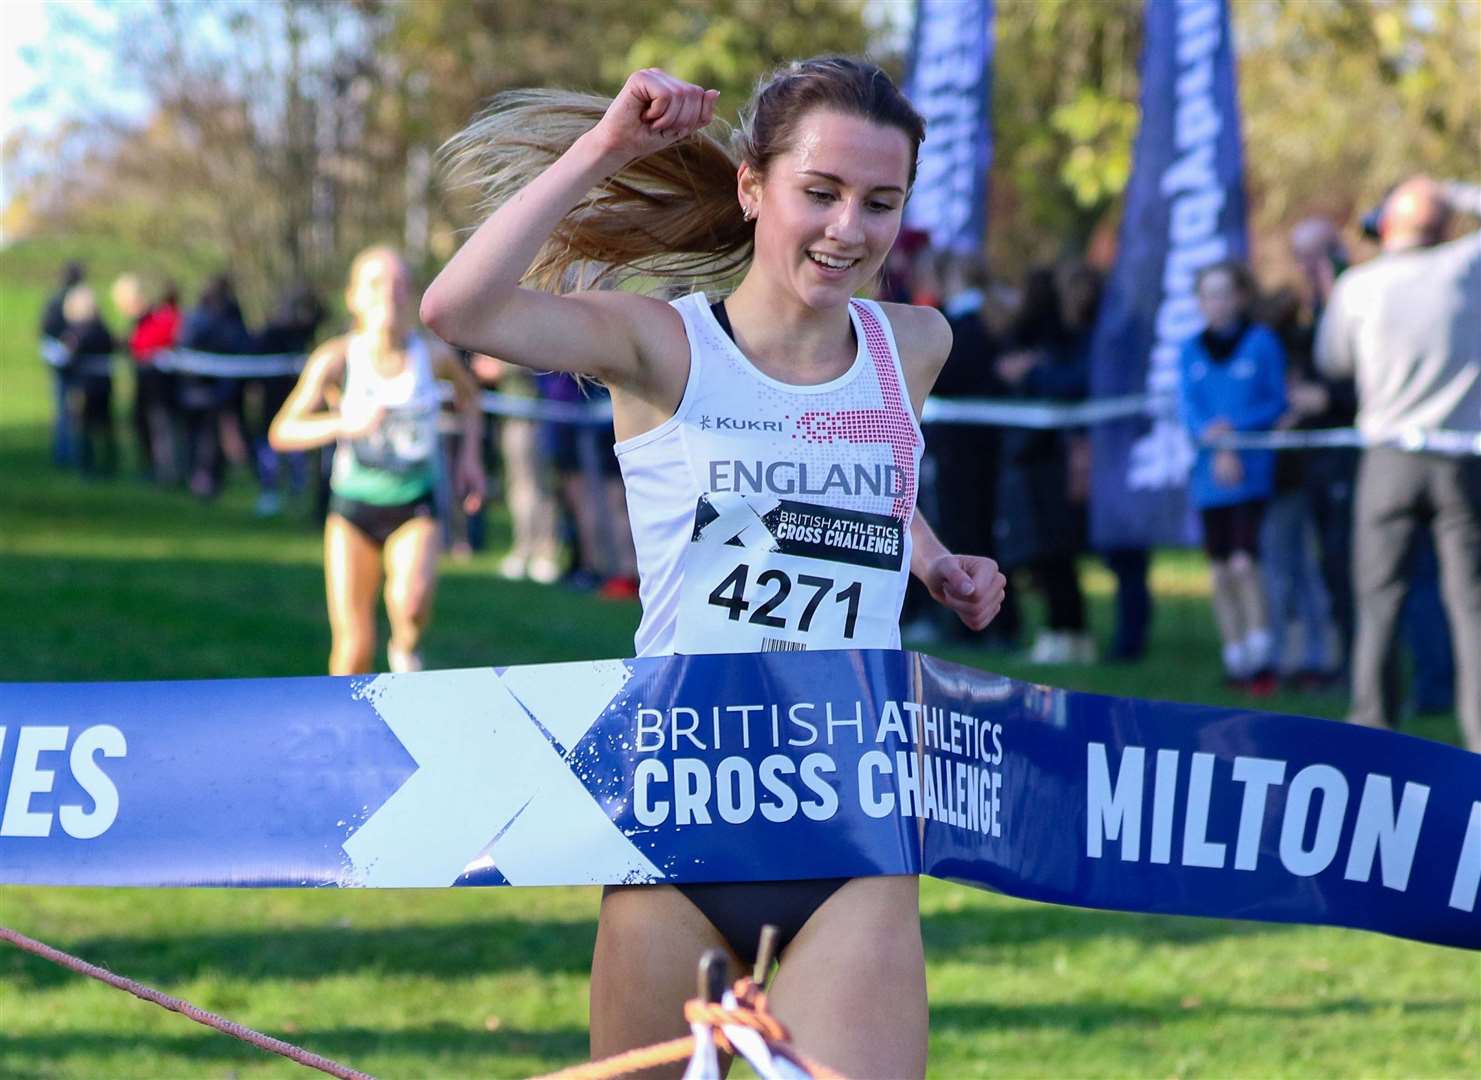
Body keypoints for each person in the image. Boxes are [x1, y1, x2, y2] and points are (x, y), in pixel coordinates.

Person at [421, 61, 1006, 1077]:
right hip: (680, 810)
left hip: (847, 820)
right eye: (817, 193)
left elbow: (853, 475)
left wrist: (933, 557)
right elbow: (457, 310)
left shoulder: (911, 344)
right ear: (751, 187)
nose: (846, 230)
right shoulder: (660, 347)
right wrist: (605, 149)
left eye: (879, 203)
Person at [1316, 176, 1481, 750]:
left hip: (1387, 459)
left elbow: (1331, 360)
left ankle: (1372, 734)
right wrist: (1450, 192)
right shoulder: (1467, 267)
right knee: (1470, 608)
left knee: (1379, 601)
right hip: (1461, 458)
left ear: (1386, 226)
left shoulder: (1359, 285)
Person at [269, 246, 486, 675]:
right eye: (376, 283)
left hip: (414, 501)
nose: (389, 293)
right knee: (352, 650)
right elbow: (283, 431)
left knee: (411, 601)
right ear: (354, 297)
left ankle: (406, 649)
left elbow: (471, 400)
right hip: (352, 509)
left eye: (400, 284)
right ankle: (346, 736)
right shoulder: (336, 358)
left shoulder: (434, 356)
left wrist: (471, 461)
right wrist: (341, 424)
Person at [1178, 260, 1287, 693]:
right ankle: (1235, 655)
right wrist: (1212, 436)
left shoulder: (1261, 343)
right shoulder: (1190, 349)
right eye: (1209, 295)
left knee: (1245, 563)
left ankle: (1262, 655)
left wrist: (1233, 432)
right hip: (1210, 474)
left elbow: (1274, 401)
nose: (1217, 303)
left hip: (1249, 469)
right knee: (1220, 569)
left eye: (1225, 293)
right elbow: (1189, 408)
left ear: (1240, 297)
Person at [993, 264, 1096, 664]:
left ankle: (1067, 632)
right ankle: (1062, 632)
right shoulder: (1047, 340)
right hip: (1035, 460)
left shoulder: (1058, 344)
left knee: (1055, 553)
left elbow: (1069, 383)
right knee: (1047, 554)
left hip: (1051, 461)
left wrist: (1032, 371)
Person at [40, 262, 86, 466]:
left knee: (63, 408)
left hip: (61, 357)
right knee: (71, 408)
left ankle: (65, 452)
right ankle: (70, 453)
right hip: (69, 357)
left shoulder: (54, 298)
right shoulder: (71, 299)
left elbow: (44, 328)